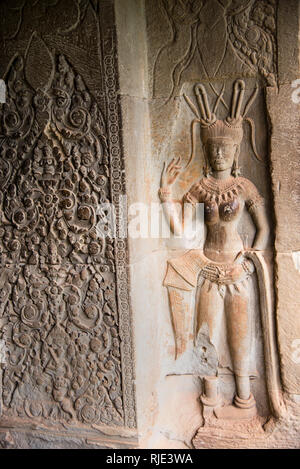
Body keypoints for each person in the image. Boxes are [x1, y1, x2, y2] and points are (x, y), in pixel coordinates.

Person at [159, 81, 270, 419]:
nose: (219, 154)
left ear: (235, 152)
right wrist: (167, 197)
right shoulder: (201, 188)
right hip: (207, 268)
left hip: (237, 269)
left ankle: (245, 400)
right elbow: (182, 231)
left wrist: (251, 263)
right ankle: (209, 401)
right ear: (207, 152)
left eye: (225, 148)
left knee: (239, 338)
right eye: (214, 149)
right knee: (205, 337)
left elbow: (263, 229)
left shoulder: (244, 186)